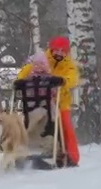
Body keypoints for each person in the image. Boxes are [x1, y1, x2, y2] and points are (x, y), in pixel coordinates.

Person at [15, 35, 80, 166]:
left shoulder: (69, 65)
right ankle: (26, 150)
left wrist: (63, 81)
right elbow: (26, 70)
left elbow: (73, 78)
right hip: (38, 101)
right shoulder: (42, 59)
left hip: (60, 102)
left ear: (66, 52)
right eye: (57, 50)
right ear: (51, 49)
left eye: (63, 51)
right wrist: (20, 80)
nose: (59, 53)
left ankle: (72, 157)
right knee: (31, 121)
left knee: (66, 126)